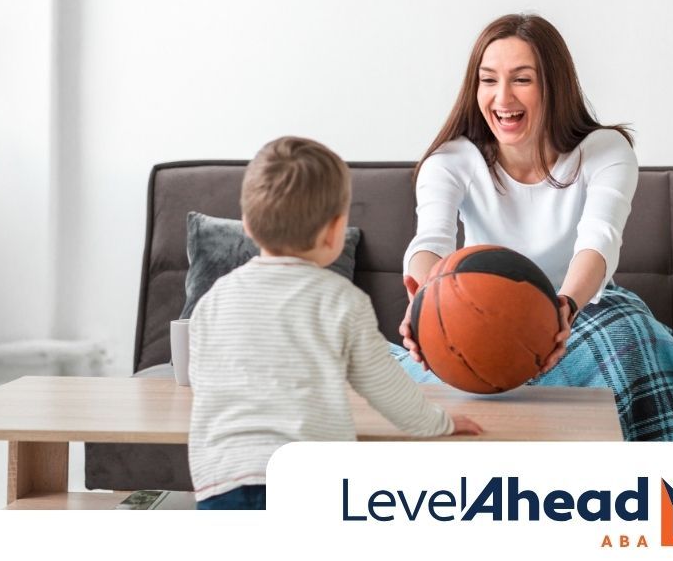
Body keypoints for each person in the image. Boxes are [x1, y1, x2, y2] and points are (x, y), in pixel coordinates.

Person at [395, 13, 673, 442]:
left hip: (581, 304)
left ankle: (641, 493)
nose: (502, 97)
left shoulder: (605, 151)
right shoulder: (450, 161)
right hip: (477, 312)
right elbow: (431, 241)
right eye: (488, 80)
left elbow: (599, 242)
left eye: (522, 79)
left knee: (630, 341)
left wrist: (564, 309)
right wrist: (425, 300)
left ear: (553, 86)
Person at [188, 136, 482, 510]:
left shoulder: (214, 300)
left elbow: (205, 380)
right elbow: (386, 386)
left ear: (246, 223)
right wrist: (440, 423)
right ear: (334, 231)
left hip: (221, 478)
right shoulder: (341, 300)